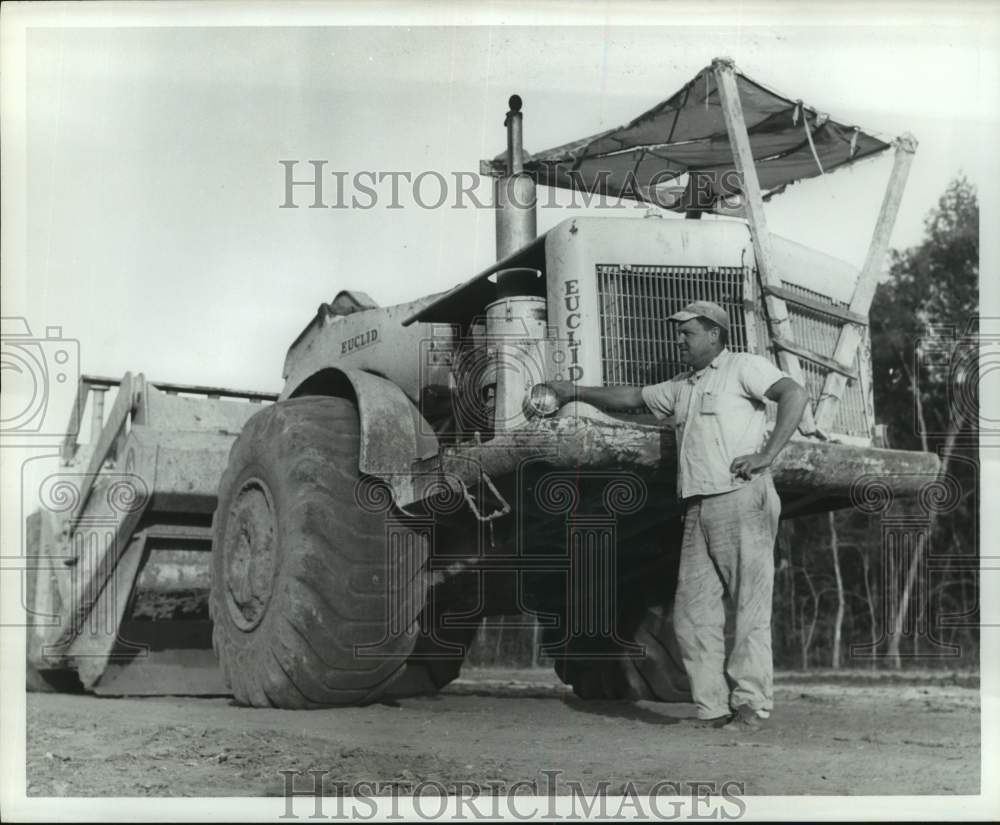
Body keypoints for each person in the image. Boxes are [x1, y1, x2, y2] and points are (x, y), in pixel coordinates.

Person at [546, 300, 808, 731]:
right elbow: (632, 398)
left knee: (749, 609)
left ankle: (751, 706)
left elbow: (793, 394)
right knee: (690, 614)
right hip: (697, 506)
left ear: (714, 335)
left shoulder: (744, 366)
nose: (679, 340)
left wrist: (767, 454)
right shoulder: (684, 385)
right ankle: (714, 708)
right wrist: (573, 392)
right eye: (679, 332)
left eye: (687, 333)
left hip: (742, 497)